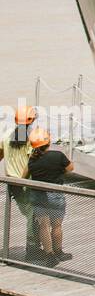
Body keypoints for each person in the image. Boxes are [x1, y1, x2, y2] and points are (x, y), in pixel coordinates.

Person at [25, 127, 72, 266]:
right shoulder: (58, 155)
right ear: (48, 142)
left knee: (43, 226)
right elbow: (71, 168)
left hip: (37, 194)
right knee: (56, 225)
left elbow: (24, 176)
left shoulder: (32, 160)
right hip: (55, 194)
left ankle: (49, 255)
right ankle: (59, 252)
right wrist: (59, 172)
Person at [1, 107, 38, 259]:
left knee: (29, 214)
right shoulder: (31, 139)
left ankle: (34, 246)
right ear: (32, 121)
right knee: (33, 215)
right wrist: (24, 181)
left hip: (11, 181)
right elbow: (29, 164)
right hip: (25, 184)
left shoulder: (7, 137)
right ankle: (33, 249)